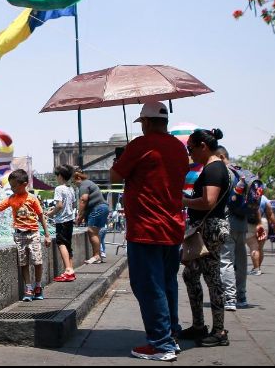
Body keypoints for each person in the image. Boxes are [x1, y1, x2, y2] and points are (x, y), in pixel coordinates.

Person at [109, 101, 189, 362]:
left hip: (146, 227)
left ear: (147, 122)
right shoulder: (179, 148)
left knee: (148, 284)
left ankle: (160, 344)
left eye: (142, 122)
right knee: (167, 284)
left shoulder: (141, 146)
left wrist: (123, 158)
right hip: (172, 226)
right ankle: (171, 335)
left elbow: (114, 176)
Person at [179, 129, 232, 348]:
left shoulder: (214, 169)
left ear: (203, 146)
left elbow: (208, 202)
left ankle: (218, 330)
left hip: (209, 229)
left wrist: (184, 201)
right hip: (207, 228)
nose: (189, 153)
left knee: (211, 279)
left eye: (190, 148)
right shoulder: (214, 168)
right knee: (191, 275)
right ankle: (199, 325)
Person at [0, 169, 52, 301]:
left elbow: (41, 216)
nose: (12, 188)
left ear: (24, 184)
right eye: (11, 186)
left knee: (37, 261)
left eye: (14, 186)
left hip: (33, 234)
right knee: (23, 262)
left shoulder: (32, 199)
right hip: (19, 235)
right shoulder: (11, 199)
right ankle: (28, 288)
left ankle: (38, 286)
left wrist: (47, 235)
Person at [215, 146, 266, 310]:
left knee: (226, 261)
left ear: (222, 156)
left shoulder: (225, 173)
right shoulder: (243, 173)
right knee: (241, 261)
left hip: (227, 222)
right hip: (242, 223)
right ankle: (242, 296)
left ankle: (229, 298)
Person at [47, 164, 77, 282]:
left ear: (60, 176)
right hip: (69, 220)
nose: (56, 178)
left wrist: (51, 213)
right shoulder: (71, 188)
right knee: (68, 244)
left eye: (57, 175)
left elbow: (59, 205)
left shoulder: (59, 189)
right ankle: (71, 270)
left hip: (62, 220)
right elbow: (74, 204)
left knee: (61, 243)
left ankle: (68, 270)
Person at [73, 169, 109, 264]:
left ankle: (96, 255)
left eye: (74, 182)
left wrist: (78, 214)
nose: (75, 184)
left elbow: (83, 200)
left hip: (97, 208)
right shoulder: (90, 183)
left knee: (92, 231)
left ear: (78, 178)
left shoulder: (83, 185)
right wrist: (81, 218)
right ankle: (99, 256)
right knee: (96, 232)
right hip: (103, 207)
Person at [246, 194, 275, 276]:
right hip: (263, 223)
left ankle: (256, 269)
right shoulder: (264, 198)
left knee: (253, 247)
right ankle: (258, 268)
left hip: (249, 224)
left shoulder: (246, 196)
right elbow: (270, 212)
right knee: (260, 248)